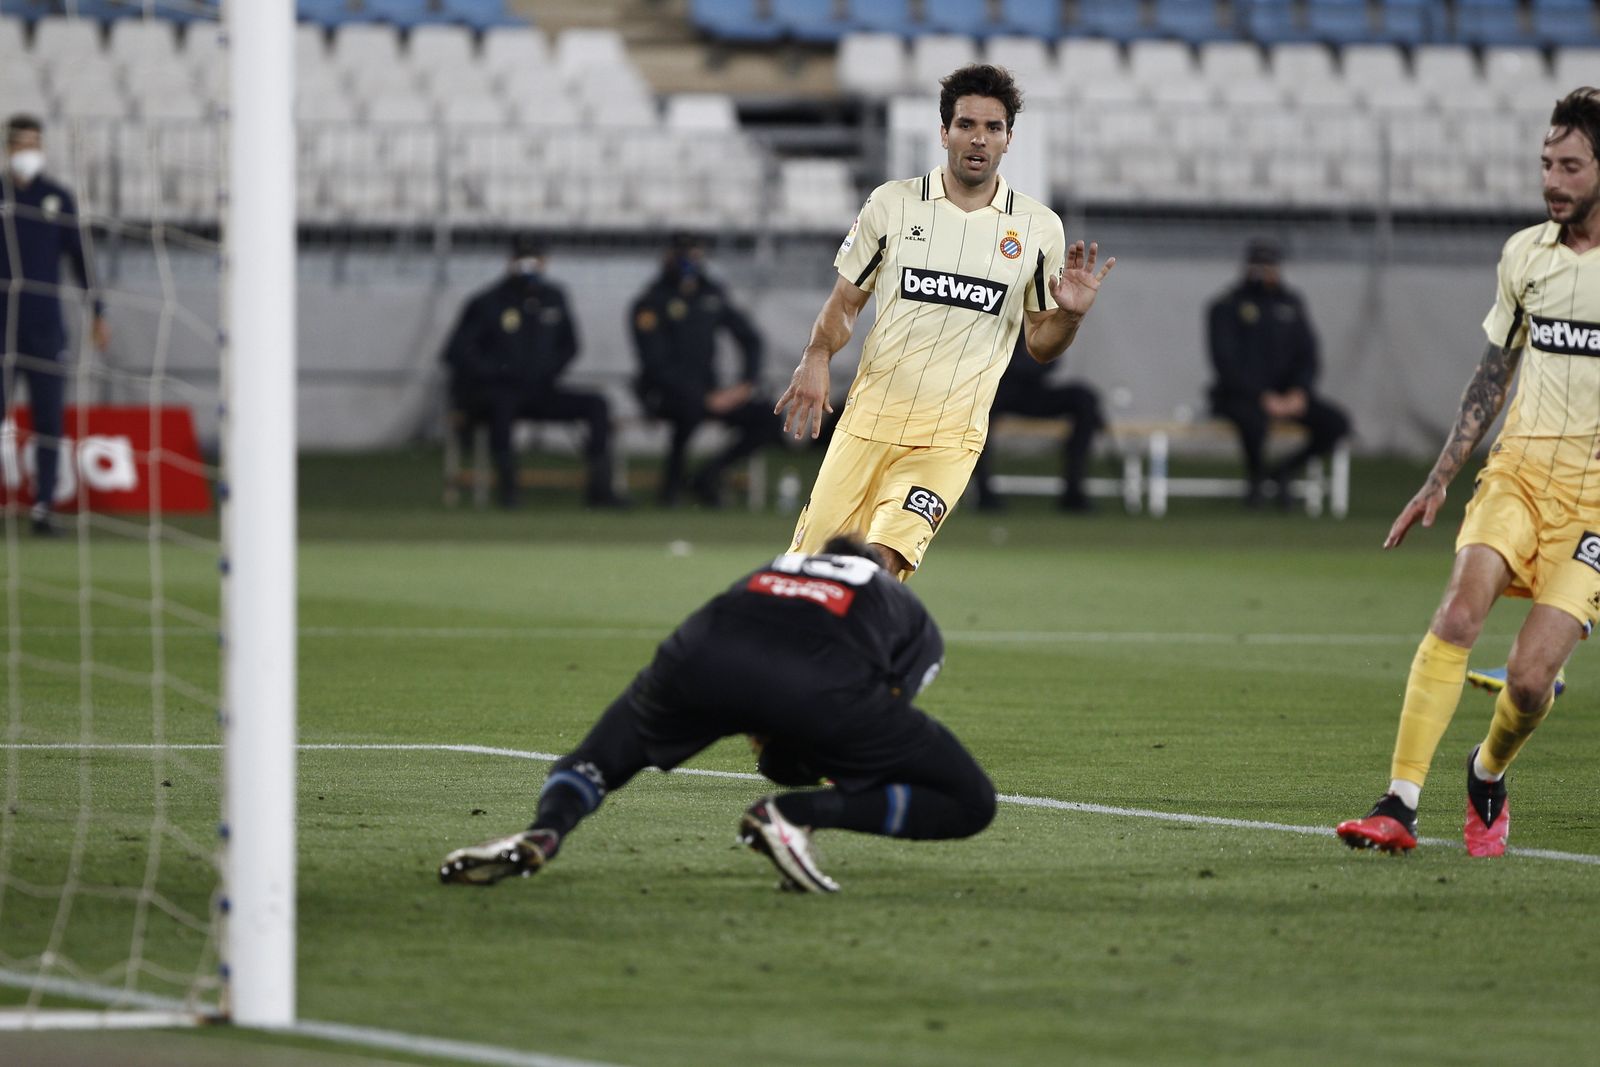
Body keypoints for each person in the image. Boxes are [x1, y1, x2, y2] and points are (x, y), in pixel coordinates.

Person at [1336, 87, 1600, 859]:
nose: (1553, 179)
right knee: (1457, 612)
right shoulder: (1526, 254)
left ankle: (1486, 773)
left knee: (1526, 681)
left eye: (1572, 166)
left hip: (1594, 503)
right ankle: (1399, 802)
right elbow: (1494, 371)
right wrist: (1440, 476)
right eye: (1547, 163)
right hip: (1517, 473)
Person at [438, 534, 996, 893]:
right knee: (969, 801)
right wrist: (828, 779)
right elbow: (882, 721)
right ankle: (795, 818)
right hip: (818, 685)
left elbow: (732, 629)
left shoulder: (775, 567)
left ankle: (547, 830)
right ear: (875, 566)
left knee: (596, 761)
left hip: (698, 658)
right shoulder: (902, 602)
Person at [774, 65, 1115, 580]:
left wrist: (1068, 316)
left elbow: (1042, 345)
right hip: (867, 422)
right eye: (966, 124)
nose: (979, 138)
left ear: (1008, 140)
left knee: (881, 566)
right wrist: (816, 355)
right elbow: (846, 302)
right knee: (809, 574)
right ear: (944, 133)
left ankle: (869, 657)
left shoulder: (1038, 227)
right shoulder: (892, 203)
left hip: (949, 439)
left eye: (993, 128)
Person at [442, 234, 625, 509]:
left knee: (597, 405)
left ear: (544, 262)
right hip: (500, 390)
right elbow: (457, 352)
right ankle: (509, 490)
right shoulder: (488, 302)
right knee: (502, 406)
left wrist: (547, 370)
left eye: (535, 259)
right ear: (510, 262)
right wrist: (498, 371)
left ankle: (600, 488)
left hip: (541, 389)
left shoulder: (554, 297)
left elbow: (570, 345)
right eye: (522, 259)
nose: (529, 265)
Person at [1, 113, 109, 536]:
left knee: (48, 420)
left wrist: (98, 311)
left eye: (36, 144)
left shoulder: (57, 198)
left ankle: (44, 506)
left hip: (45, 327)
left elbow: (81, 259)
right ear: (9, 148)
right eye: (23, 144)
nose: (30, 152)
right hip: (2, 326)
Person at [630, 233, 777, 508]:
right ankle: (671, 488)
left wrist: (745, 384)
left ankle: (708, 475)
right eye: (684, 254)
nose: (690, 262)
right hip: (666, 394)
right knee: (687, 413)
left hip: (710, 391)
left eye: (695, 254)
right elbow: (655, 365)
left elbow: (749, 337)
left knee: (767, 418)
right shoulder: (652, 301)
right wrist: (702, 397)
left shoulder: (710, 293)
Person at [1205, 238, 1350, 508]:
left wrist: (1299, 391)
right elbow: (1226, 362)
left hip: (1288, 393)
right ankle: (1256, 481)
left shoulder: (1291, 304)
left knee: (1336, 423)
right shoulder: (1227, 305)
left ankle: (1282, 472)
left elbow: (1307, 355)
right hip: (1242, 395)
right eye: (1258, 265)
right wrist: (1261, 396)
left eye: (1268, 265)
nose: (1263, 272)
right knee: (1252, 422)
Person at [972, 330, 1105, 513]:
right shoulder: (1002, 320)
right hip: (1001, 391)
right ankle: (983, 493)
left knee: (1085, 399)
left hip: (1035, 391)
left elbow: (1051, 360)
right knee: (979, 410)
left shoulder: (1043, 323)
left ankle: (1074, 492)